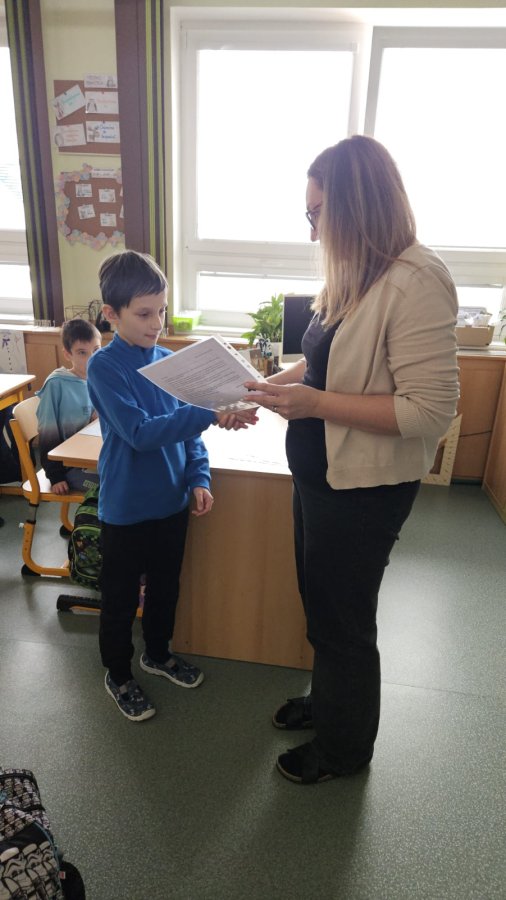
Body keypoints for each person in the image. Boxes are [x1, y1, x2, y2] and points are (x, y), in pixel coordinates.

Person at [243, 135, 459, 784]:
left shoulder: (417, 281)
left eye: (318, 214)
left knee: (344, 621)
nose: (313, 231)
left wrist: (313, 405)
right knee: (320, 604)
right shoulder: (353, 272)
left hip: (364, 488)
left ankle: (344, 751)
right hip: (319, 476)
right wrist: (267, 387)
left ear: (355, 207)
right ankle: (329, 702)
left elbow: (429, 411)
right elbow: (321, 362)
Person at [87, 250, 257, 722]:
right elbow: (140, 433)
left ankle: (157, 655)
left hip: (172, 504)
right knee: (120, 601)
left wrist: (198, 476)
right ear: (111, 314)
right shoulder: (105, 367)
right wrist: (209, 412)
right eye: (144, 314)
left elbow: (190, 436)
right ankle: (119, 674)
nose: (157, 323)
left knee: (165, 589)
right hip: (125, 508)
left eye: (161, 310)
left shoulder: (169, 362)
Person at [36, 318, 101, 495]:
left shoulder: (98, 379)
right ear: (67, 354)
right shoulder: (56, 385)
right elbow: (47, 434)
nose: (91, 358)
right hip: (68, 468)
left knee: (130, 477)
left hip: (92, 457)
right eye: (82, 353)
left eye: (96, 350)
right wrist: (56, 476)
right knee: (110, 488)